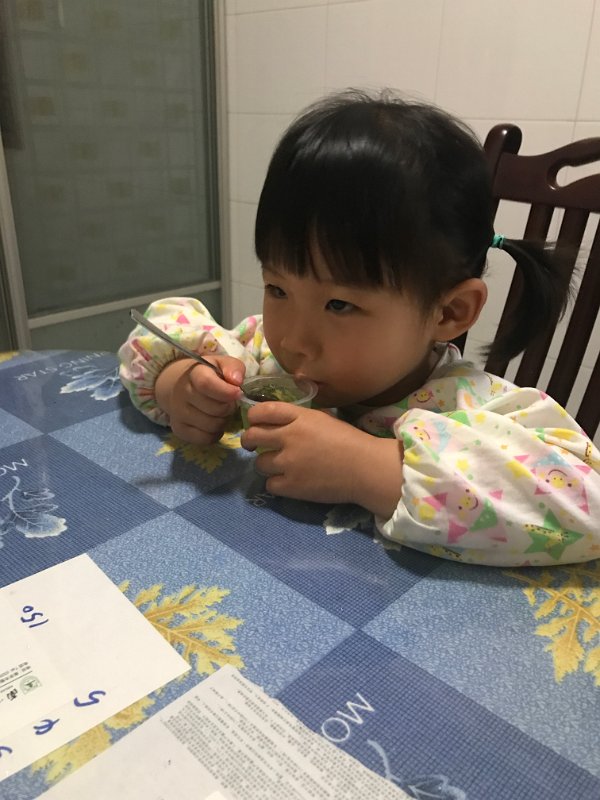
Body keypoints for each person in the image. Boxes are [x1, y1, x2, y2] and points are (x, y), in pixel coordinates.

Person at [119, 89, 600, 567]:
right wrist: (180, 384)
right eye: (277, 288)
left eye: (339, 304)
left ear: (449, 313)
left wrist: (366, 468)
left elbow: (586, 505)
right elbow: (163, 330)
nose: (291, 340)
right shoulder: (261, 358)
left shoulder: (476, 409)